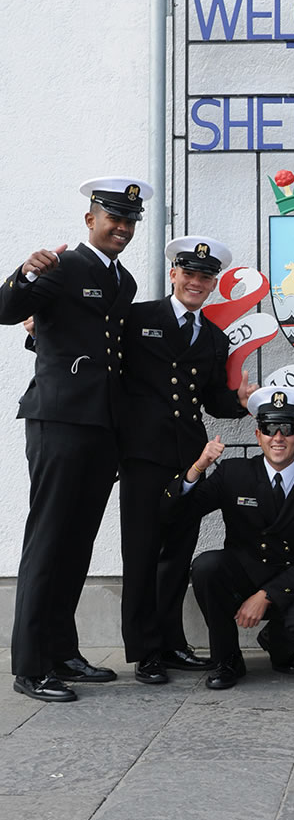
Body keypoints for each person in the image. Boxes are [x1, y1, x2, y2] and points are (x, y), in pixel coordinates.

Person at [0, 177, 152, 701]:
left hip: (101, 425)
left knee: (79, 541)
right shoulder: (61, 266)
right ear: (91, 220)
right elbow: (5, 309)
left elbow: (91, 343)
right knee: (48, 539)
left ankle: (62, 651)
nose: (124, 228)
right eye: (114, 218)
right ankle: (31, 665)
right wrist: (24, 273)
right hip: (60, 418)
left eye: (131, 220)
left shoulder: (124, 282)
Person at [118, 236, 258, 684]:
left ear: (213, 283)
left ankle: (172, 643)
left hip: (187, 455)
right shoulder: (139, 317)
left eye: (206, 276)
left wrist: (239, 402)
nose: (197, 282)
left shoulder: (214, 338)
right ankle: (145, 652)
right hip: (142, 453)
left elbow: (213, 400)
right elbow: (100, 351)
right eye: (190, 273)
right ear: (174, 274)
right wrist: (38, 333)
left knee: (177, 554)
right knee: (142, 553)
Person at [160, 387, 294, 689]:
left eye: (288, 428)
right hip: (242, 574)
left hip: (290, 581)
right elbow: (176, 512)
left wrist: (267, 596)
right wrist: (198, 466)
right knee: (207, 567)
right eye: (269, 428)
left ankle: (277, 644)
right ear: (258, 436)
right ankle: (226, 660)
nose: (278, 437)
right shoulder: (233, 473)